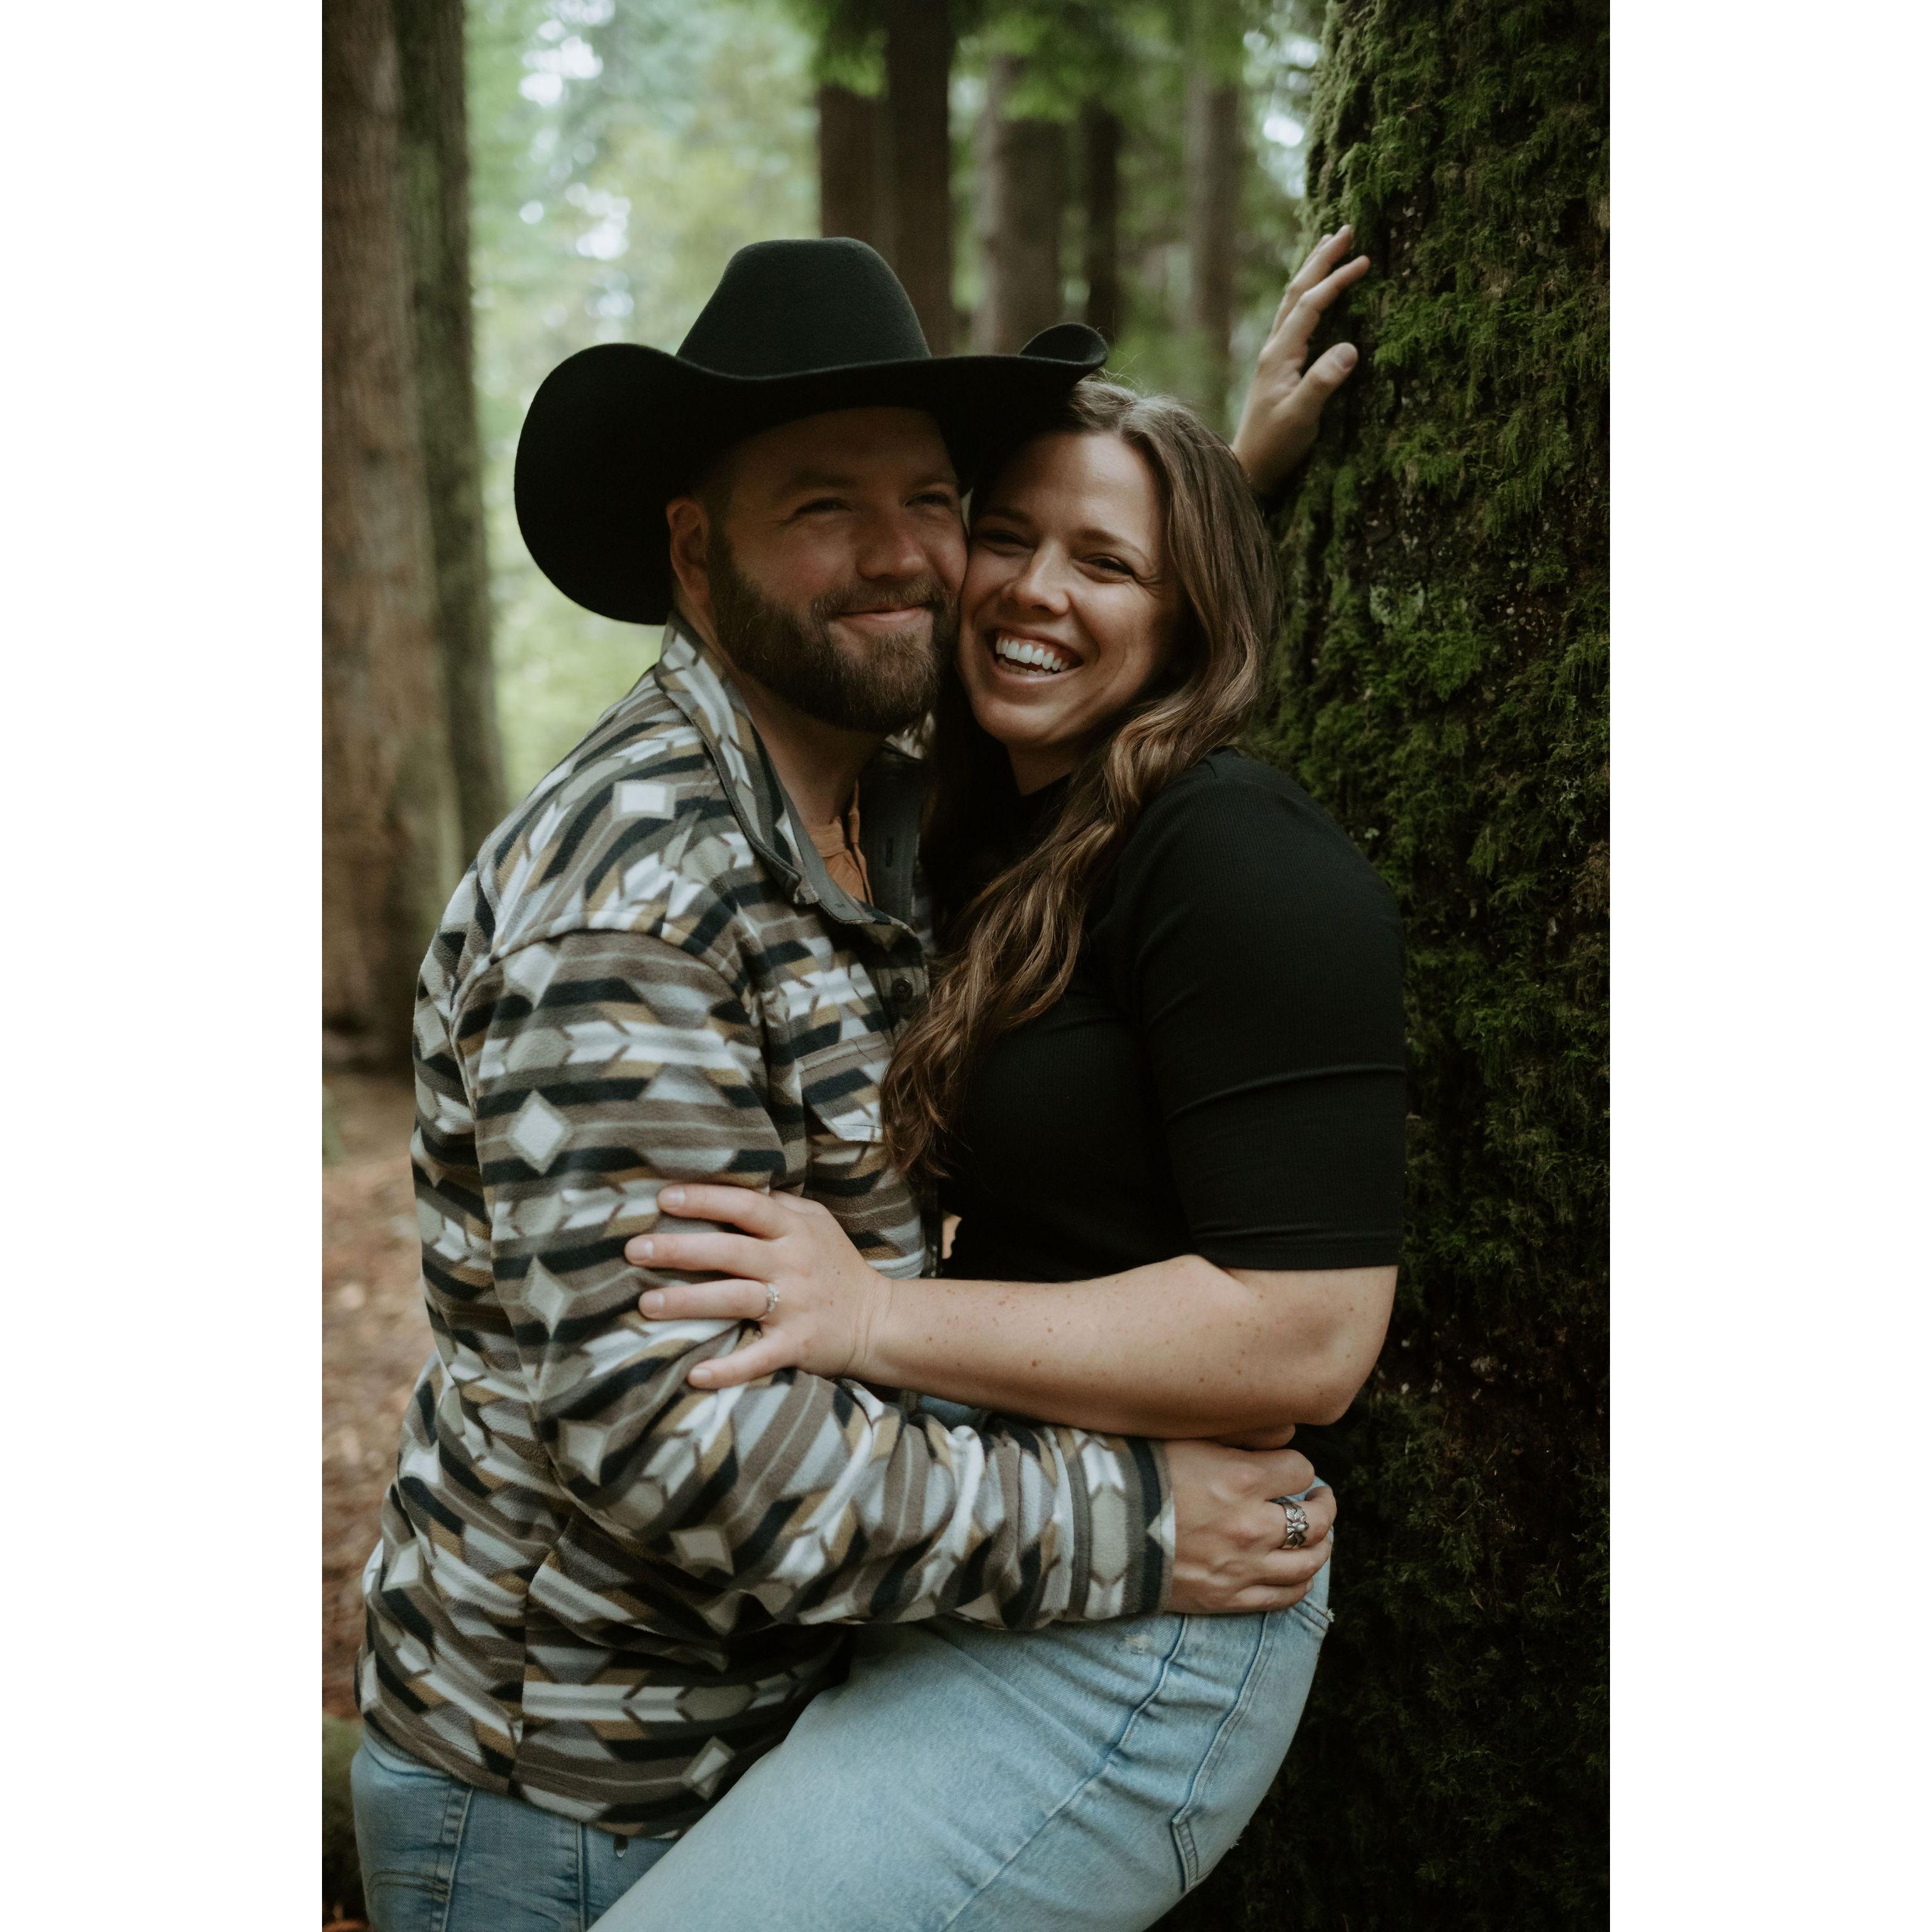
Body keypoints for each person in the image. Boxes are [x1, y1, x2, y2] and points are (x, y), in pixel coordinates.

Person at [348, 233, 1372, 1932]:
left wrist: (1216, 493)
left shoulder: (882, 804)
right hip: (568, 1793)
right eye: (825, 506)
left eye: (934, 500)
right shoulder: (633, 907)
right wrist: (1133, 1525)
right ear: (695, 551)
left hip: (781, 1735)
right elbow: (688, 1449)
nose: (903, 556)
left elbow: (1047, 646)